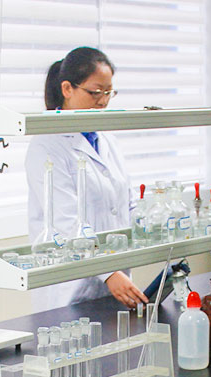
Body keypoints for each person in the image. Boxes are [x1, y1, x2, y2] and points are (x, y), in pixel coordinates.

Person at [26, 47, 147, 309]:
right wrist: (108, 272)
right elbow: (66, 220)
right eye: (95, 92)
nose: (103, 101)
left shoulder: (107, 139)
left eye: (109, 92)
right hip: (71, 288)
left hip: (115, 279)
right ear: (67, 89)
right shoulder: (46, 145)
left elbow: (126, 204)